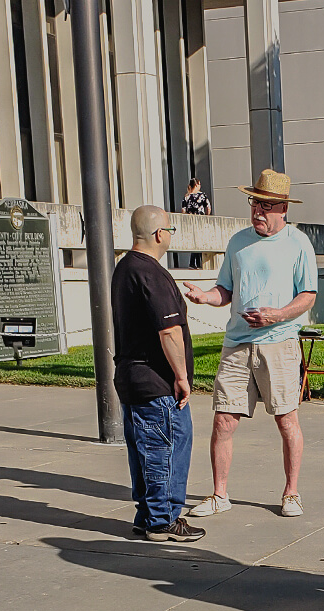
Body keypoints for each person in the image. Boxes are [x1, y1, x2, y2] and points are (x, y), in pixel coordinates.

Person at [183, 169, 317, 518]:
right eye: (254, 202)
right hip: (237, 346)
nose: (257, 211)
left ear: (282, 208)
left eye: (265, 205)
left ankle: (291, 493)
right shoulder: (238, 242)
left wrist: (276, 315)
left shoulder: (299, 243)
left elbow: (308, 296)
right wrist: (204, 297)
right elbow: (225, 289)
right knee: (223, 421)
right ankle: (219, 495)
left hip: (280, 343)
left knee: (287, 421)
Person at [111, 205, 205, 543]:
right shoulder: (152, 273)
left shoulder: (124, 269)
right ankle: (162, 520)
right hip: (156, 381)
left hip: (132, 377)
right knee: (166, 448)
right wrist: (181, 376)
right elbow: (169, 331)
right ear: (159, 234)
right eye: (170, 229)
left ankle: (147, 514)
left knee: (145, 449)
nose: (169, 235)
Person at [182, 178, 212, 269]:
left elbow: (183, 211)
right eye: (199, 184)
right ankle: (197, 263)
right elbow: (208, 207)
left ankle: (193, 263)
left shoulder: (186, 197)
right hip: (200, 221)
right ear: (196, 185)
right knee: (199, 241)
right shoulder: (202, 196)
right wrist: (206, 216)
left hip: (191, 222)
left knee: (194, 241)